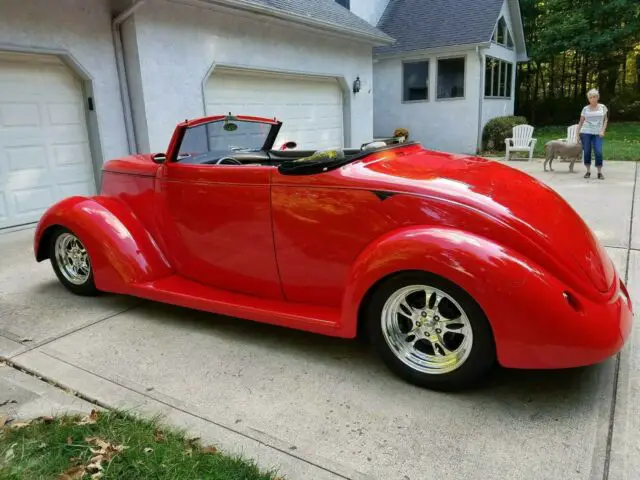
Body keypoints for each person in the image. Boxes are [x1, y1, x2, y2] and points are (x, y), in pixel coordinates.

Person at [577, 88, 608, 180]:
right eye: (590, 97)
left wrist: (602, 130)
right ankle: (588, 171)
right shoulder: (585, 109)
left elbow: (605, 120)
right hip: (585, 132)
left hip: (597, 133)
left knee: (598, 151)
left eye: (594, 97)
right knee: (587, 151)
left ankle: (599, 172)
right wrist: (577, 134)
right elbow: (581, 122)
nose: (593, 99)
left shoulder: (602, 107)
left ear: (597, 97)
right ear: (588, 99)